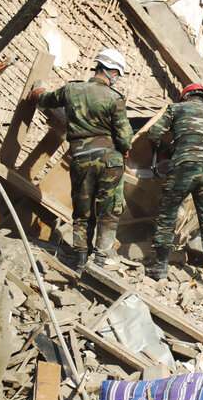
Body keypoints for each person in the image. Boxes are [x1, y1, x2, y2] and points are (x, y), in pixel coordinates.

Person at [30, 49, 133, 272]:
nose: (117, 79)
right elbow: (125, 138)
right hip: (109, 161)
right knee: (109, 209)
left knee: (82, 210)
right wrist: (123, 151)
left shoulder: (71, 89)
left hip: (81, 158)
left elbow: (46, 99)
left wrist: (36, 93)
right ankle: (99, 261)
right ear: (112, 71)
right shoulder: (115, 99)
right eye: (118, 74)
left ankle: (79, 260)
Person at [146, 83, 203, 291]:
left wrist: (166, 149)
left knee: (167, 214)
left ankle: (160, 267)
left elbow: (153, 133)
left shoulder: (176, 109)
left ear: (185, 98)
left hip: (183, 166)